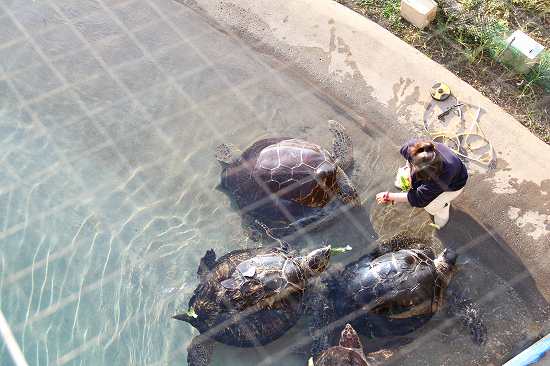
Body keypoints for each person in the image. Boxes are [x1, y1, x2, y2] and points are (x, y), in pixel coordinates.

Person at [376, 139, 468, 229]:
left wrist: (389, 196)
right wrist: (408, 170)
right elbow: (409, 160)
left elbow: (420, 198)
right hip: (434, 175)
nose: (414, 171)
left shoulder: (445, 174)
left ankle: (443, 206)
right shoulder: (414, 147)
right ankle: (412, 184)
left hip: (453, 185)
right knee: (402, 178)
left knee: (430, 207)